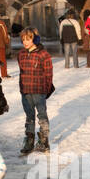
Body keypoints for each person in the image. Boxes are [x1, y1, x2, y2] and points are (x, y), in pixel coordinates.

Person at [15, 27, 54, 155]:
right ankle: (29, 140)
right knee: (29, 116)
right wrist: (22, 88)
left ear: (35, 39)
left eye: (28, 39)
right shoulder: (21, 54)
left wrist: (46, 89)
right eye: (23, 39)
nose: (25, 42)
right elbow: (21, 72)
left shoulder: (43, 55)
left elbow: (49, 74)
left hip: (39, 90)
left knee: (42, 115)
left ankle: (44, 140)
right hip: (26, 91)